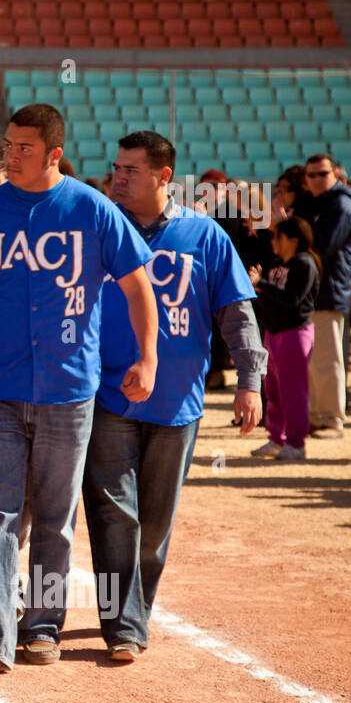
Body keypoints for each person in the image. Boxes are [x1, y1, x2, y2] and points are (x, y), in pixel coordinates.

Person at [0, 104, 158, 673]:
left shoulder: (91, 208)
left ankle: (41, 627)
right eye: (9, 145)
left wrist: (147, 357)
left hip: (69, 390)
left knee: (56, 515)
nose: (12, 156)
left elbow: (139, 287)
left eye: (24, 149)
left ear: (54, 153)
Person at [82, 131, 266, 661]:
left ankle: (133, 612)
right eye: (116, 168)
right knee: (115, 512)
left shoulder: (204, 236)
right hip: (109, 396)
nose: (118, 177)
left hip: (177, 403)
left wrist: (250, 383)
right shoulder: (99, 230)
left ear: (164, 177)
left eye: (131, 170)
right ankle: (124, 625)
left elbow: (237, 314)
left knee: (154, 522)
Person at [249, 217, 322, 461]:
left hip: (295, 333)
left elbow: (292, 299)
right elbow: (269, 296)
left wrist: (263, 286)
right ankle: (276, 437)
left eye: (277, 237)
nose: (273, 242)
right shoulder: (277, 264)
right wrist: (260, 286)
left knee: (293, 390)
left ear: (292, 239)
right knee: (272, 389)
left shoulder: (305, 263)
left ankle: (296, 442)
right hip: (274, 332)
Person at [301, 153, 351, 439]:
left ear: (336, 174)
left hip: (329, 291)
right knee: (314, 359)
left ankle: (332, 418)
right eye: (311, 174)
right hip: (314, 292)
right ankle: (316, 414)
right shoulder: (318, 204)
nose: (316, 179)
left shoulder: (340, 205)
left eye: (322, 174)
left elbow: (322, 246)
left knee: (328, 359)